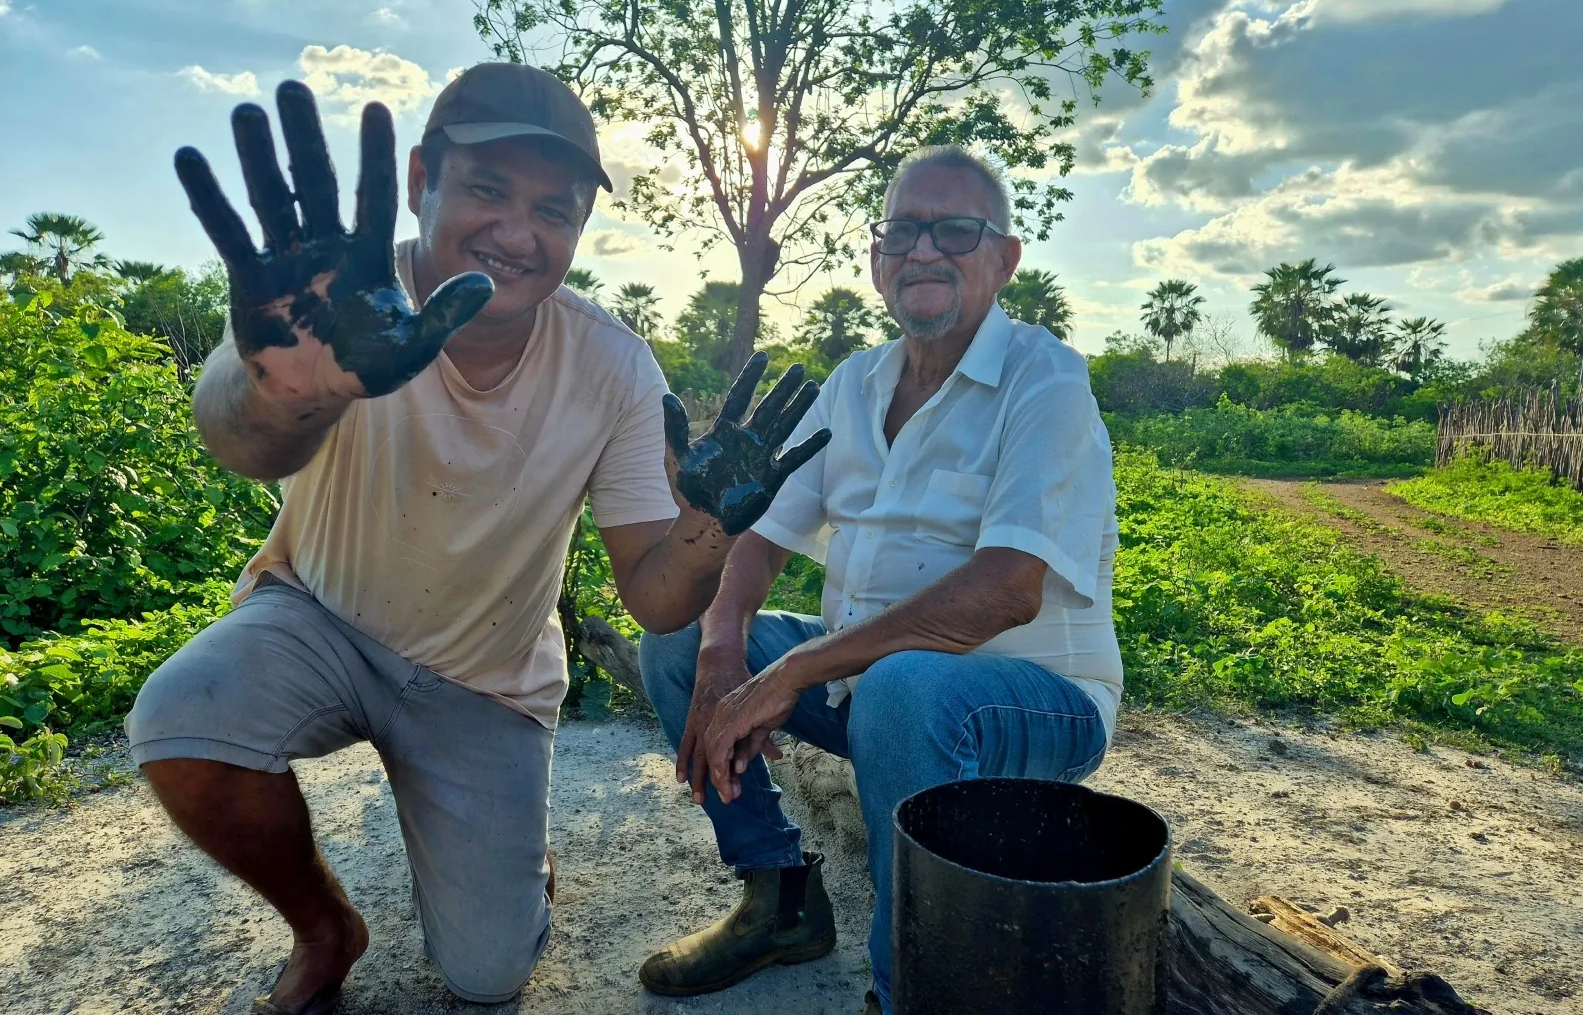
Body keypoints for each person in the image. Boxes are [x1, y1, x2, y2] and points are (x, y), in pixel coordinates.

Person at [124, 64, 827, 1015]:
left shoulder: (612, 365)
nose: (518, 232)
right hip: (319, 618)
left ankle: (510, 858)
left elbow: (655, 601)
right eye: (487, 190)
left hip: (487, 680)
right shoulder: (341, 299)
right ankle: (326, 930)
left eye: (554, 209)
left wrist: (706, 530)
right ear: (422, 184)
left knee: (486, 976)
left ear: (579, 229)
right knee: (180, 713)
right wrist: (296, 384)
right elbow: (238, 440)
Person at [637, 145, 1122, 1014]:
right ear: (875, 256)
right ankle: (778, 896)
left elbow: (1008, 589)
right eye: (901, 230)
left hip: (1038, 701)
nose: (922, 251)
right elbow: (763, 538)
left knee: (902, 689)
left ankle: (911, 990)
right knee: (678, 635)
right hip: (873, 688)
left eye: (955, 231)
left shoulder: (1044, 381)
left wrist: (788, 672)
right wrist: (721, 654)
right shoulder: (855, 384)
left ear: (1004, 259)